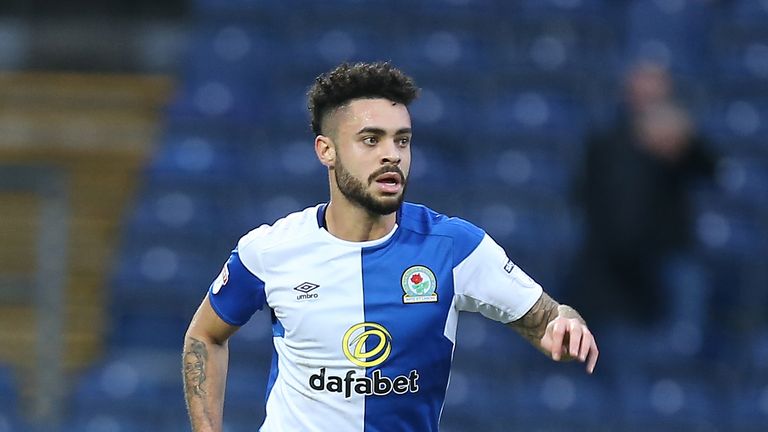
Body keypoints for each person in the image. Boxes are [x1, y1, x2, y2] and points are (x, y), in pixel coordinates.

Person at [182, 62, 599, 432]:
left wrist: (567, 326)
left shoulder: (455, 247)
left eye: (402, 140)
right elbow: (205, 335)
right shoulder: (270, 250)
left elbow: (550, 321)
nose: (392, 155)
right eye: (371, 140)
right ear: (326, 151)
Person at [568, 60, 716, 329]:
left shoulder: (679, 138)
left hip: (665, 257)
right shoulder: (607, 141)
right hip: (611, 261)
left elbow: (711, 172)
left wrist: (683, 146)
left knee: (674, 334)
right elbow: (582, 194)